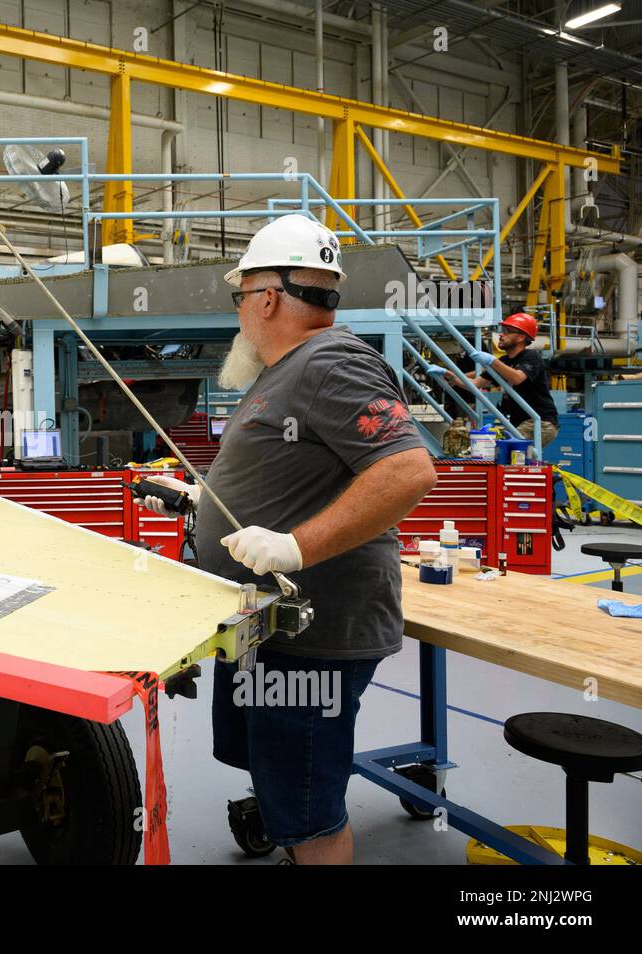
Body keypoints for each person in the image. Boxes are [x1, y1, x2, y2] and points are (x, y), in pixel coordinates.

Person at [142, 214, 437, 865]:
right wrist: (206, 502)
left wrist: (294, 548)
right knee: (281, 786)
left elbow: (408, 470)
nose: (240, 309)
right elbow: (297, 479)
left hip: (311, 642)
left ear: (267, 297)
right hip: (266, 631)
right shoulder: (285, 371)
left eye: (240, 295)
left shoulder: (329, 363)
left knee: (309, 815)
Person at [432, 312, 559, 446]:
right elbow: (476, 383)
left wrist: (492, 361)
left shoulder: (531, 356)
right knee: (502, 452)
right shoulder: (504, 361)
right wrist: (451, 376)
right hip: (520, 422)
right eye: (502, 331)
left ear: (521, 337)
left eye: (507, 331)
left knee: (506, 450)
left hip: (540, 422)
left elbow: (517, 378)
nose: (501, 335)